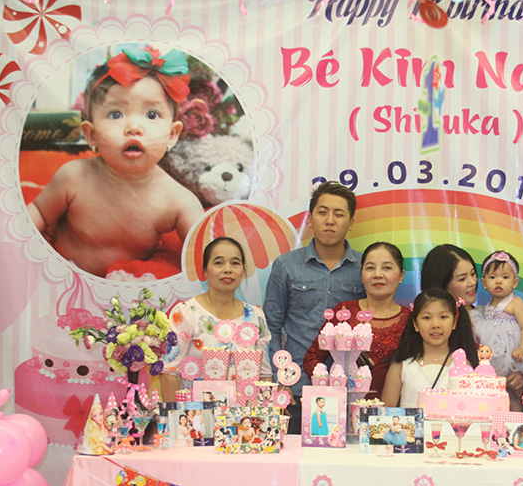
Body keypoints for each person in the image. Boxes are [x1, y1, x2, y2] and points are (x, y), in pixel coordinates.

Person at [27, 46, 204, 277]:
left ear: (172, 135)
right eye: (116, 114)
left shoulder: (179, 202)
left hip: (130, 292)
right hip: (63, 277)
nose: (133, 128)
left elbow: (207, 251)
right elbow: (37, 215)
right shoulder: (72, 177)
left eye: (151, 115)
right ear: (91, 135)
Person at [264, 181, 365, 432]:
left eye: (339, 214)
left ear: (351, 222)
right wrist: (279, 379)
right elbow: (270, 327)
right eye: (322, 212)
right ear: (310, 219)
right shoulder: (286, 266)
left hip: (350, 391)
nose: (330, 220)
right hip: (297, 389)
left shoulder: (365, 268)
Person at [160, 236, 271, 400]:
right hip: (196, 414)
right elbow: (169, 372)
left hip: (246, 415)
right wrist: (178, 414)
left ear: (243, 270)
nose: (228, 269)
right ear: (205, 271)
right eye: (219, 263)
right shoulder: (186, 313)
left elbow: (264, 375)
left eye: (235, 263)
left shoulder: (256, 316)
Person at [302, 242, 411, 400]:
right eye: (370, 267)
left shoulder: (410, 319)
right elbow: (312, 358)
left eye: (387, 268)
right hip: (344, 409)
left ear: (401, 275)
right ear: (361, 275)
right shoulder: (343, 313)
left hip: (391, 411)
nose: (378, 274)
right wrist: (330, 385)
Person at [381, 289, 478, 408]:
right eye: (427, 318)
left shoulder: (463, 366)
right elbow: (386, 409)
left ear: (454, 323)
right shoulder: (400, 366)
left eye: (443, 317)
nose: (435, 325)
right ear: (415, 324)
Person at [473, 250, 523, 403]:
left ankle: (515, 415)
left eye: (505, 277)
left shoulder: (516, 303)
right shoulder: (488, 307)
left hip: (513, 356)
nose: (498, 282)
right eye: (492, 277)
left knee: (514, 393)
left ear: (514, 282)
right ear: (484, 283)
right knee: (497, 394)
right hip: (496, 355)